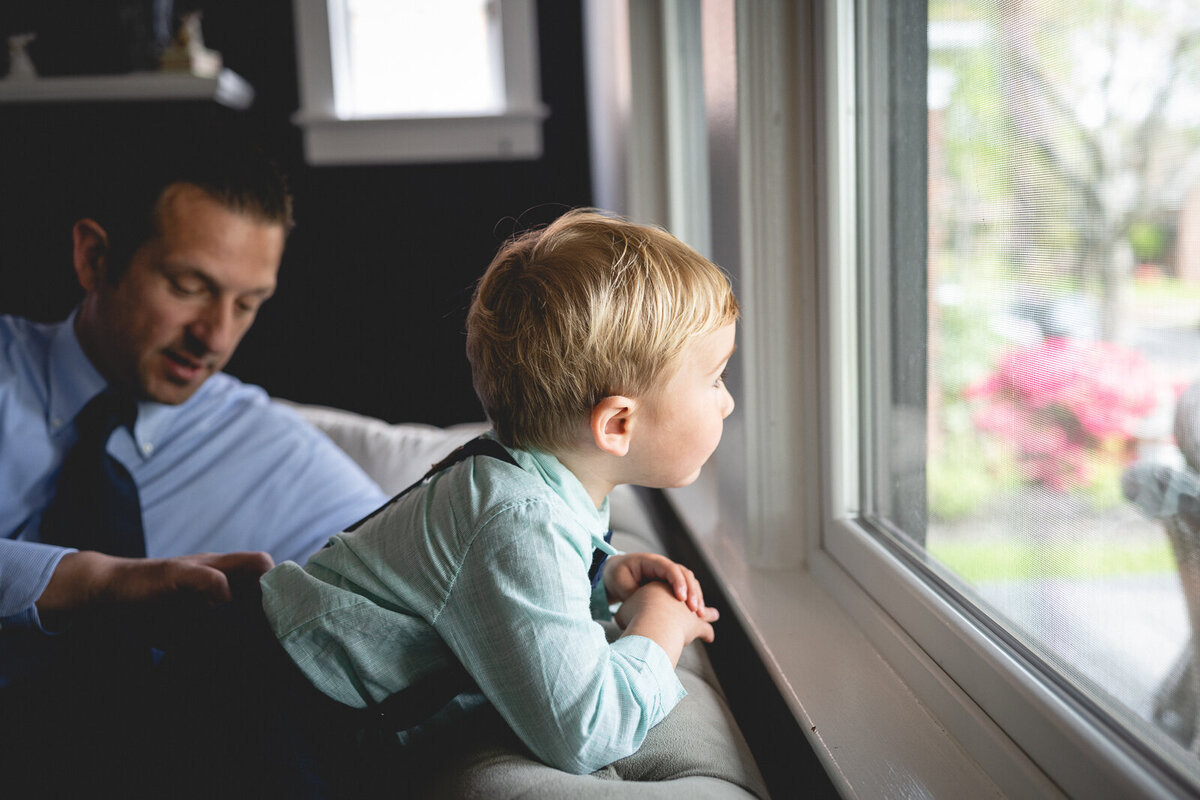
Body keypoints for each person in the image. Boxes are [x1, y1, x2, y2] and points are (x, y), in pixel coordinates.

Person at [174, 208, 738, 795]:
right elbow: (584, 732)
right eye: (715, 379)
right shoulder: (515, 518)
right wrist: (659, 627)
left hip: (274, 691)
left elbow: (505, 591)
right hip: (264, 712)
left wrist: (606, 576)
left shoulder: (533, 483)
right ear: (618, 425)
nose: (725, 404)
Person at [0, 138, 387, 788]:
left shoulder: (270, 448)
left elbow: (414, 550)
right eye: (189, 287)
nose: (215, 336)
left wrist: (602, 578)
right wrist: (93, 582)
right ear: (95, 258)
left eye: (247, 304)